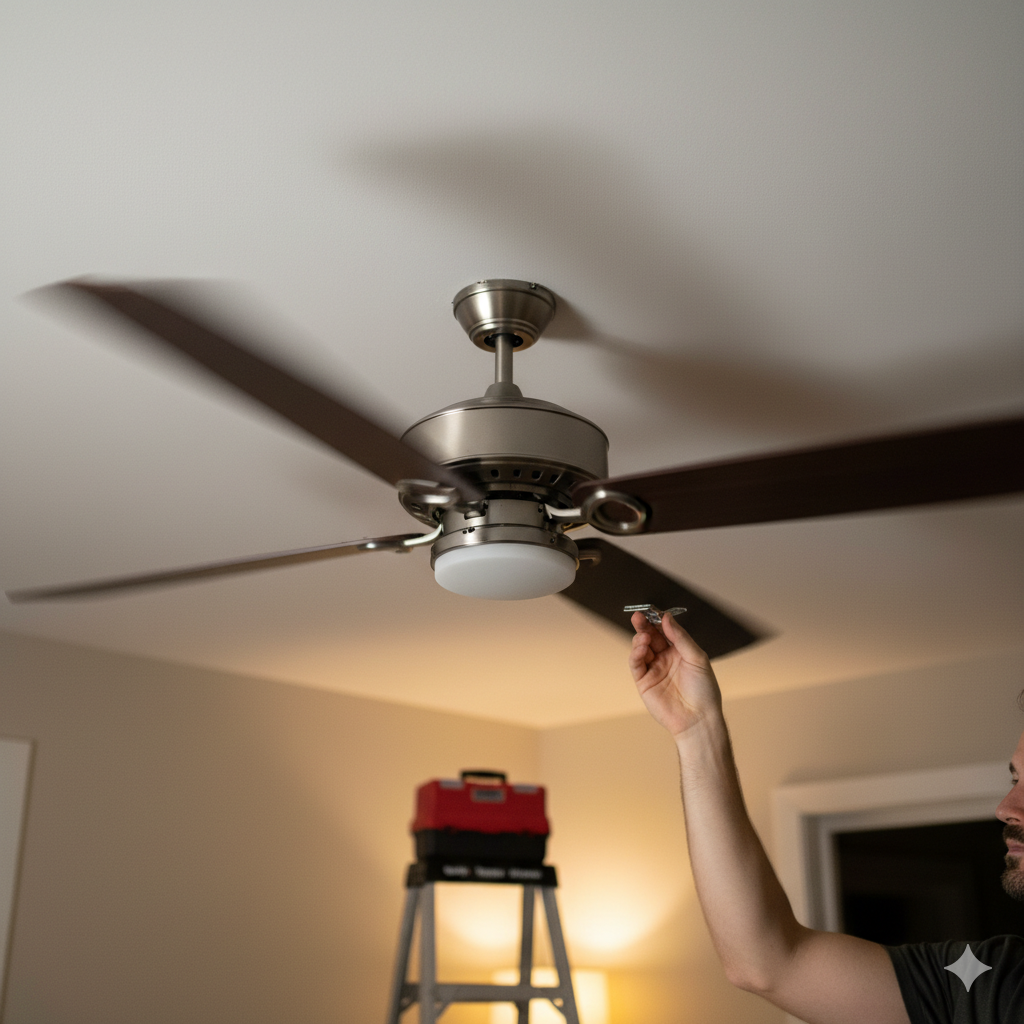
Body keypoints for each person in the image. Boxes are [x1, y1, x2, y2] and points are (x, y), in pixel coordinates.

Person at [629, 611, 1024, 1024]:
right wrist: (696, 730)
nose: (1006, 808)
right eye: (1014, 779)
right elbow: (768, 964)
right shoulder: (993, 980)